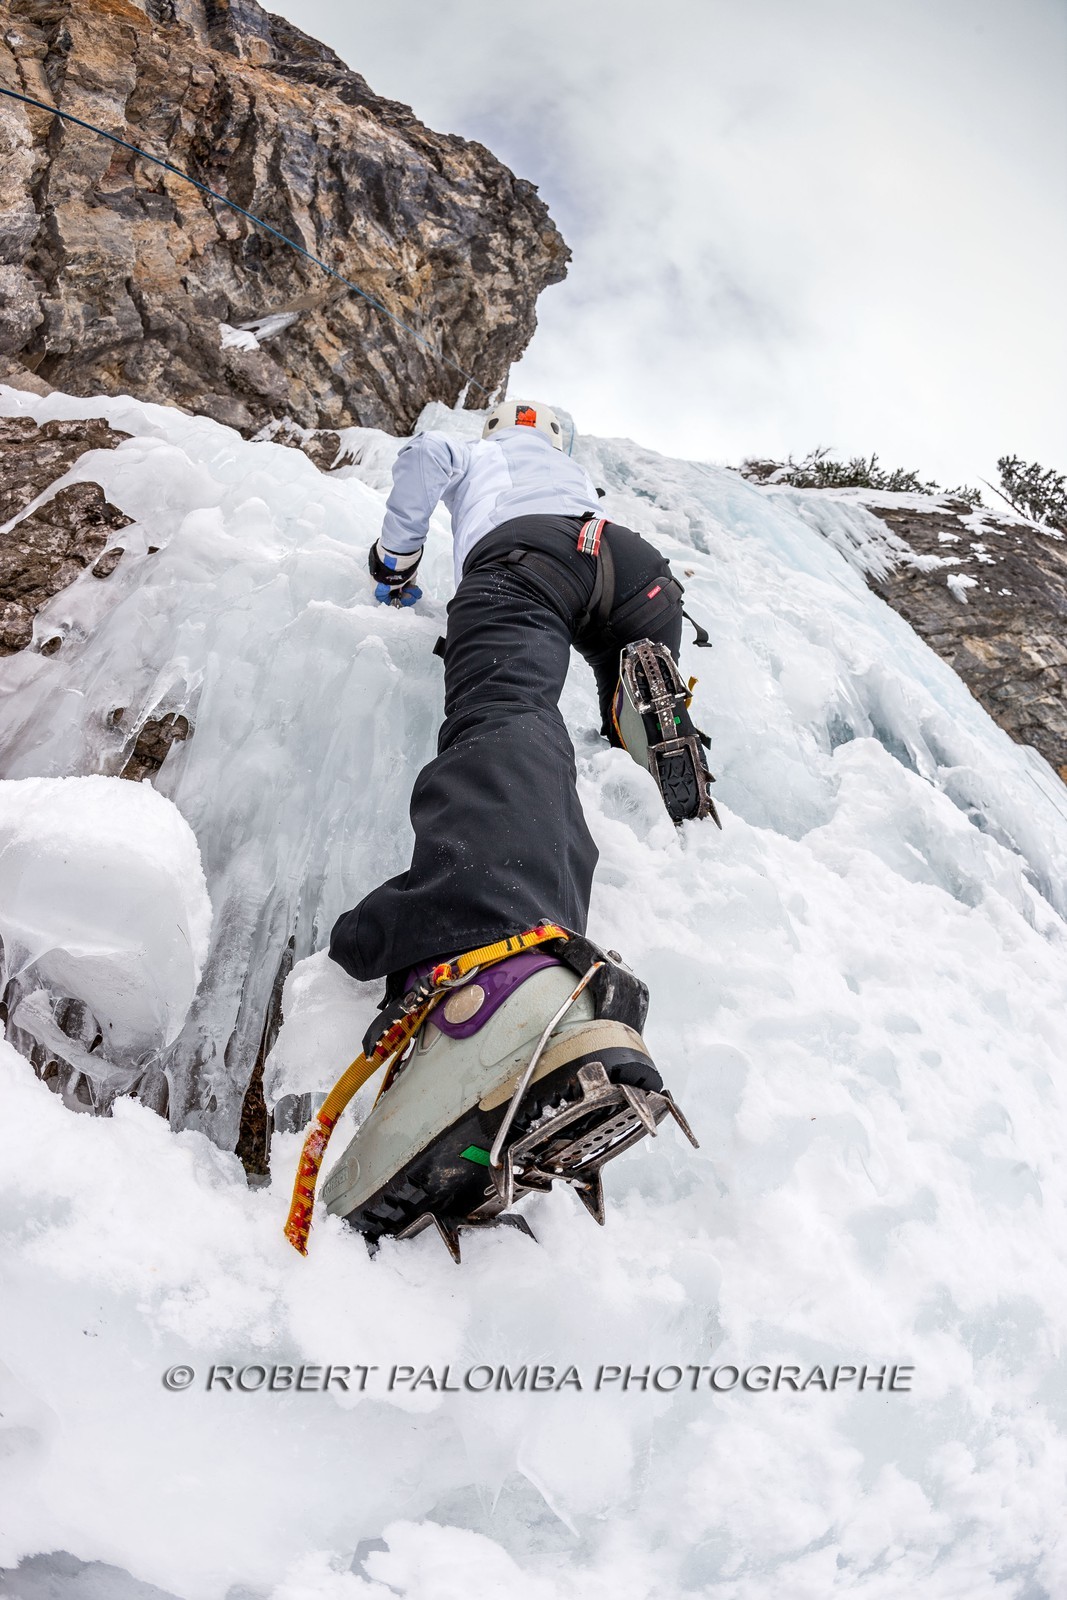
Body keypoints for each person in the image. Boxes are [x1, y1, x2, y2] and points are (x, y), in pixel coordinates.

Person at [313, 402, 705, 1255]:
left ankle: (497, 974)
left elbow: (424, 460)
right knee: (606, 681)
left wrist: (396, 559)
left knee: (505, 709)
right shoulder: (574, 474)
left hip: (522, 561)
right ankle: (636, 717)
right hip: (635, 573)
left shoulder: (478, 446)